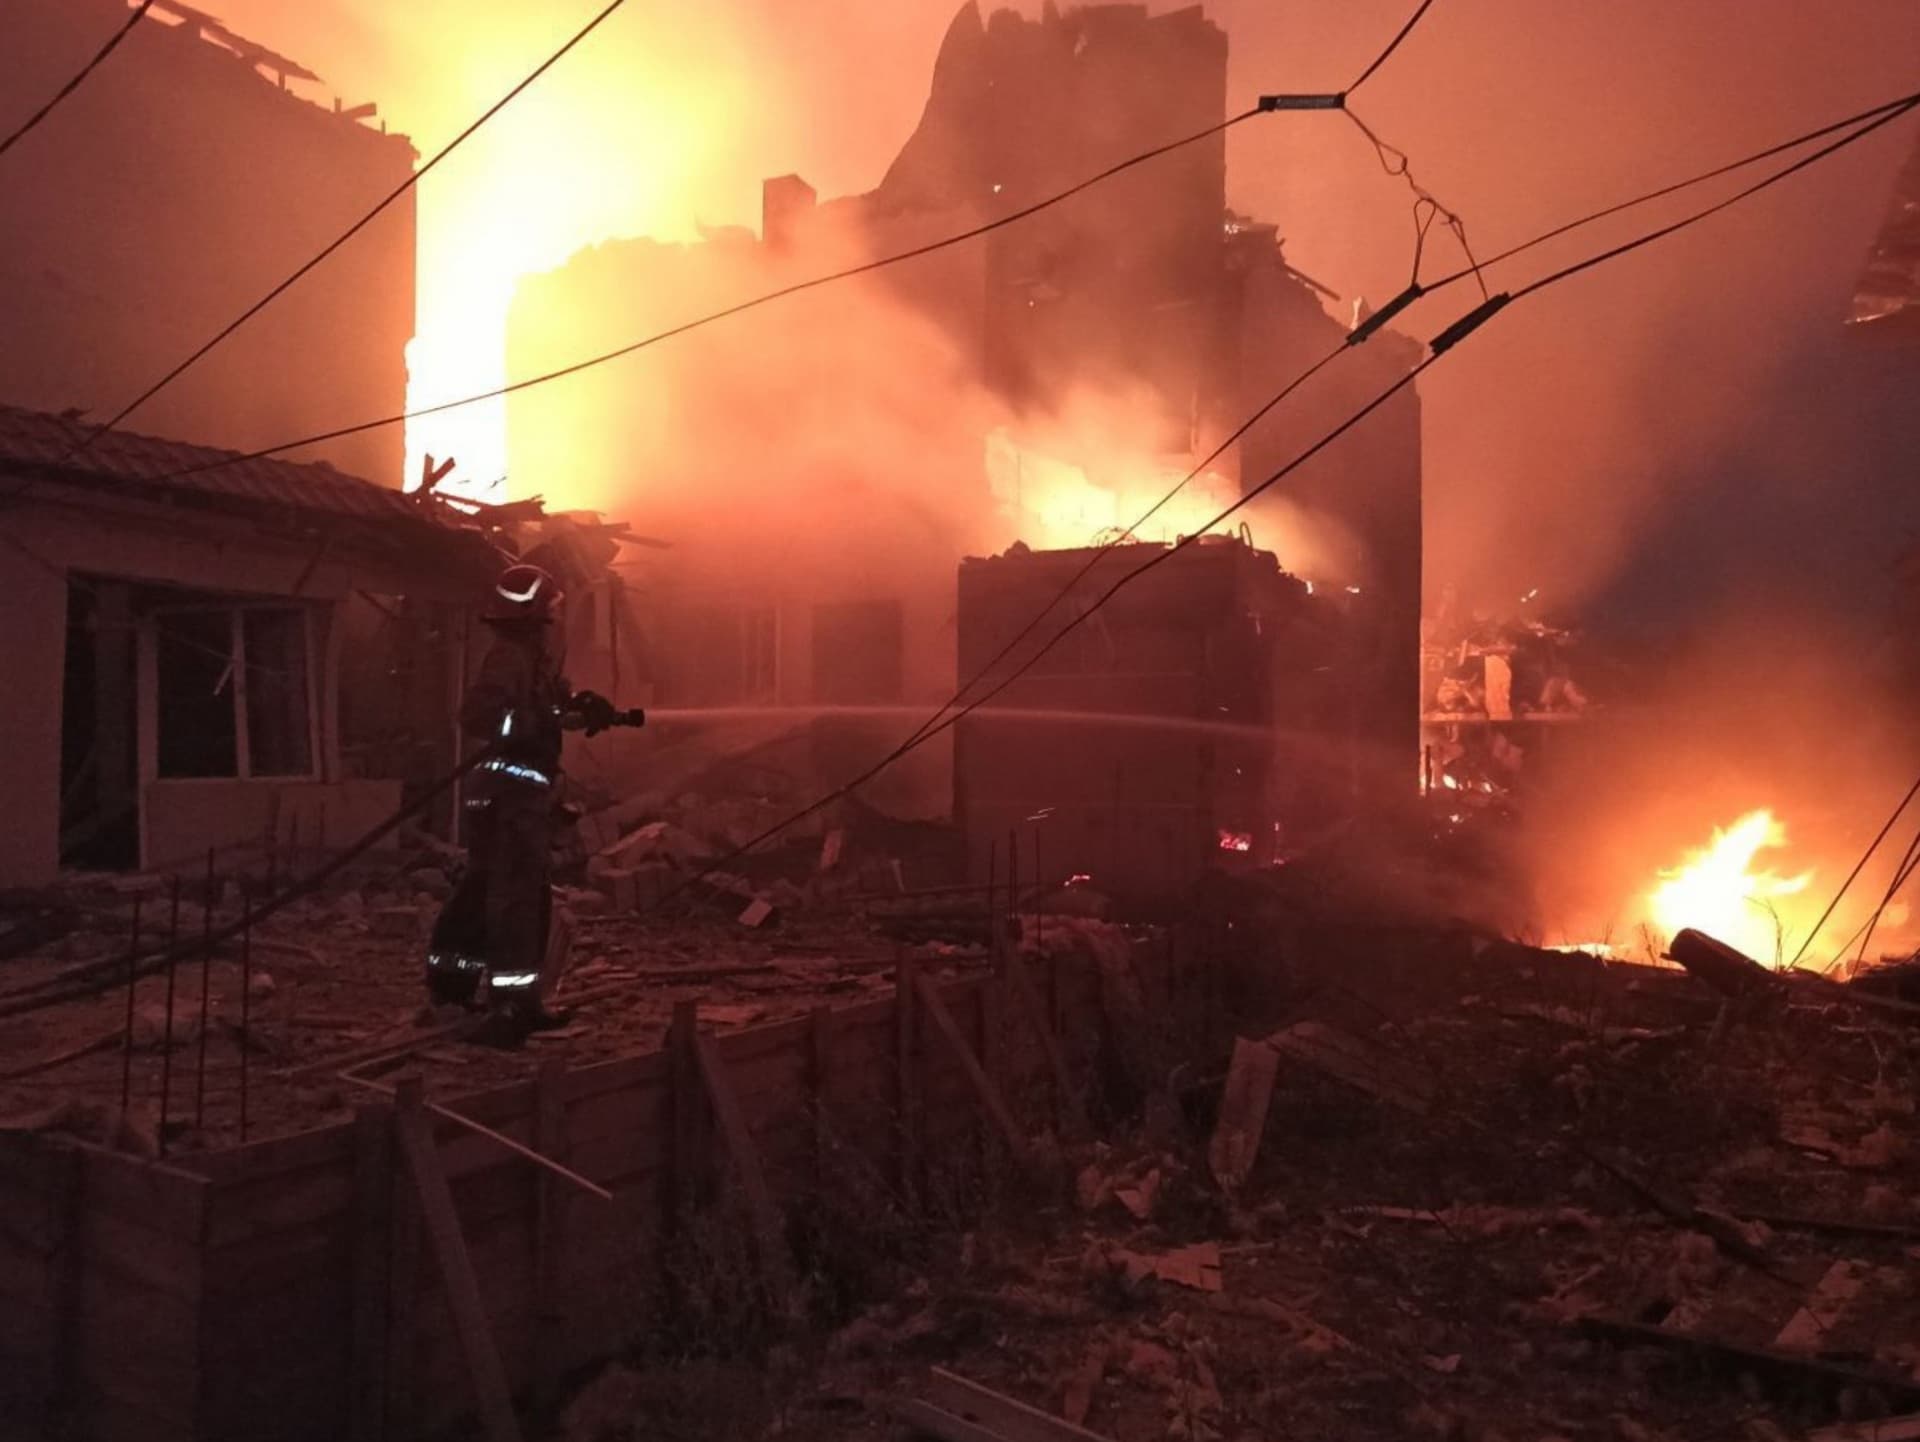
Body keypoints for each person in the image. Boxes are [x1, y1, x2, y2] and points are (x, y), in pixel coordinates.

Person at [427, 562, 641, 1038]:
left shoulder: (532, 661)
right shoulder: (510, 657)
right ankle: (510, 1007)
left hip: (516, 794)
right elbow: (479, 716)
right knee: (516, 899)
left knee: (491, 891)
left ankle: (455, 987)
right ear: (535, 619)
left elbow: (547, 706)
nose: (558, 623)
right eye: (553, 613)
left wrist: (582, 707)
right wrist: (532, 723)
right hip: (510, 796)